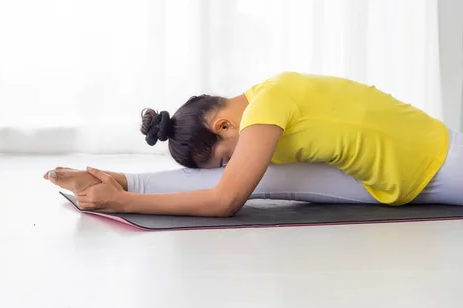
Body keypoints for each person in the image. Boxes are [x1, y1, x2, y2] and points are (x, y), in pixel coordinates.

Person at [44, 72, 463, 216]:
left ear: (224, 125)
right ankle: (121, 179)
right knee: (260, 178)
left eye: (225, 157)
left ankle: (125, 189)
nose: (233, 164)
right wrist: (123, 189)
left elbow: (227, 201)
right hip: (399, 170)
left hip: (443, 166)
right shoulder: (265, 92)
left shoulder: (267, 109)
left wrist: (125, 206)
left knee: (249, 183)